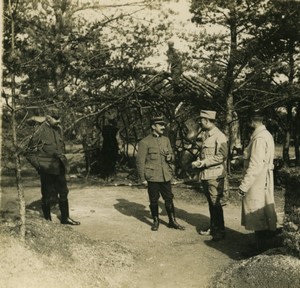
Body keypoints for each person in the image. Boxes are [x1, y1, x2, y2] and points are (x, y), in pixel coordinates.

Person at [25, 107, 80, 225]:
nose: (58, 121)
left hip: (59, 166)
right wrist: (39, 166)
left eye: (59, 118)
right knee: (47, 194)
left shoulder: (58, 129)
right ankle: (47, 221)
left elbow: (60, 147)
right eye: (55, 119)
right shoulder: (39, 131)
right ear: (48, 118)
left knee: (64, 192)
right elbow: (28, 152)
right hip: (46, 168)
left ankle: (65, 218)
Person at [136, 115, 185, 231]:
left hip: (165, 176)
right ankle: (156, 221)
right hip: (152, 176)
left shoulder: (166, 140)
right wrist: (142, 178)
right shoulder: (144, 142)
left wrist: (170, 157)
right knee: (153, 200)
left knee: (169, 199)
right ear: (153, 126)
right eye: (160, 125)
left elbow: (172, 155)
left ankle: (172, 221)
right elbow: (140, 162)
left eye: (164, 125)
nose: (163, 127)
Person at [238, 110, 277, 254]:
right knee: (263, 210)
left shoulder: (259, 138)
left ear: (252, 121)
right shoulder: (264, 135)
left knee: (256, 212)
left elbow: (255, 164)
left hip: (257, 181)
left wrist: (244, 185)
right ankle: (263, 245)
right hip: (262, 179)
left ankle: (260, 248)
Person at [192, 110, 228, 241]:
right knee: (211, 203)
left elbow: (222, 156)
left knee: (215, 203)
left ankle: (220, 231)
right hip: (206, 174)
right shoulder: (207, 135)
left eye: (201, 120)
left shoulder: (220, 136)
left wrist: (203, 163)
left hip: (215, 175)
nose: (200, 123)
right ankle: (214, 228)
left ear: (207, 121)